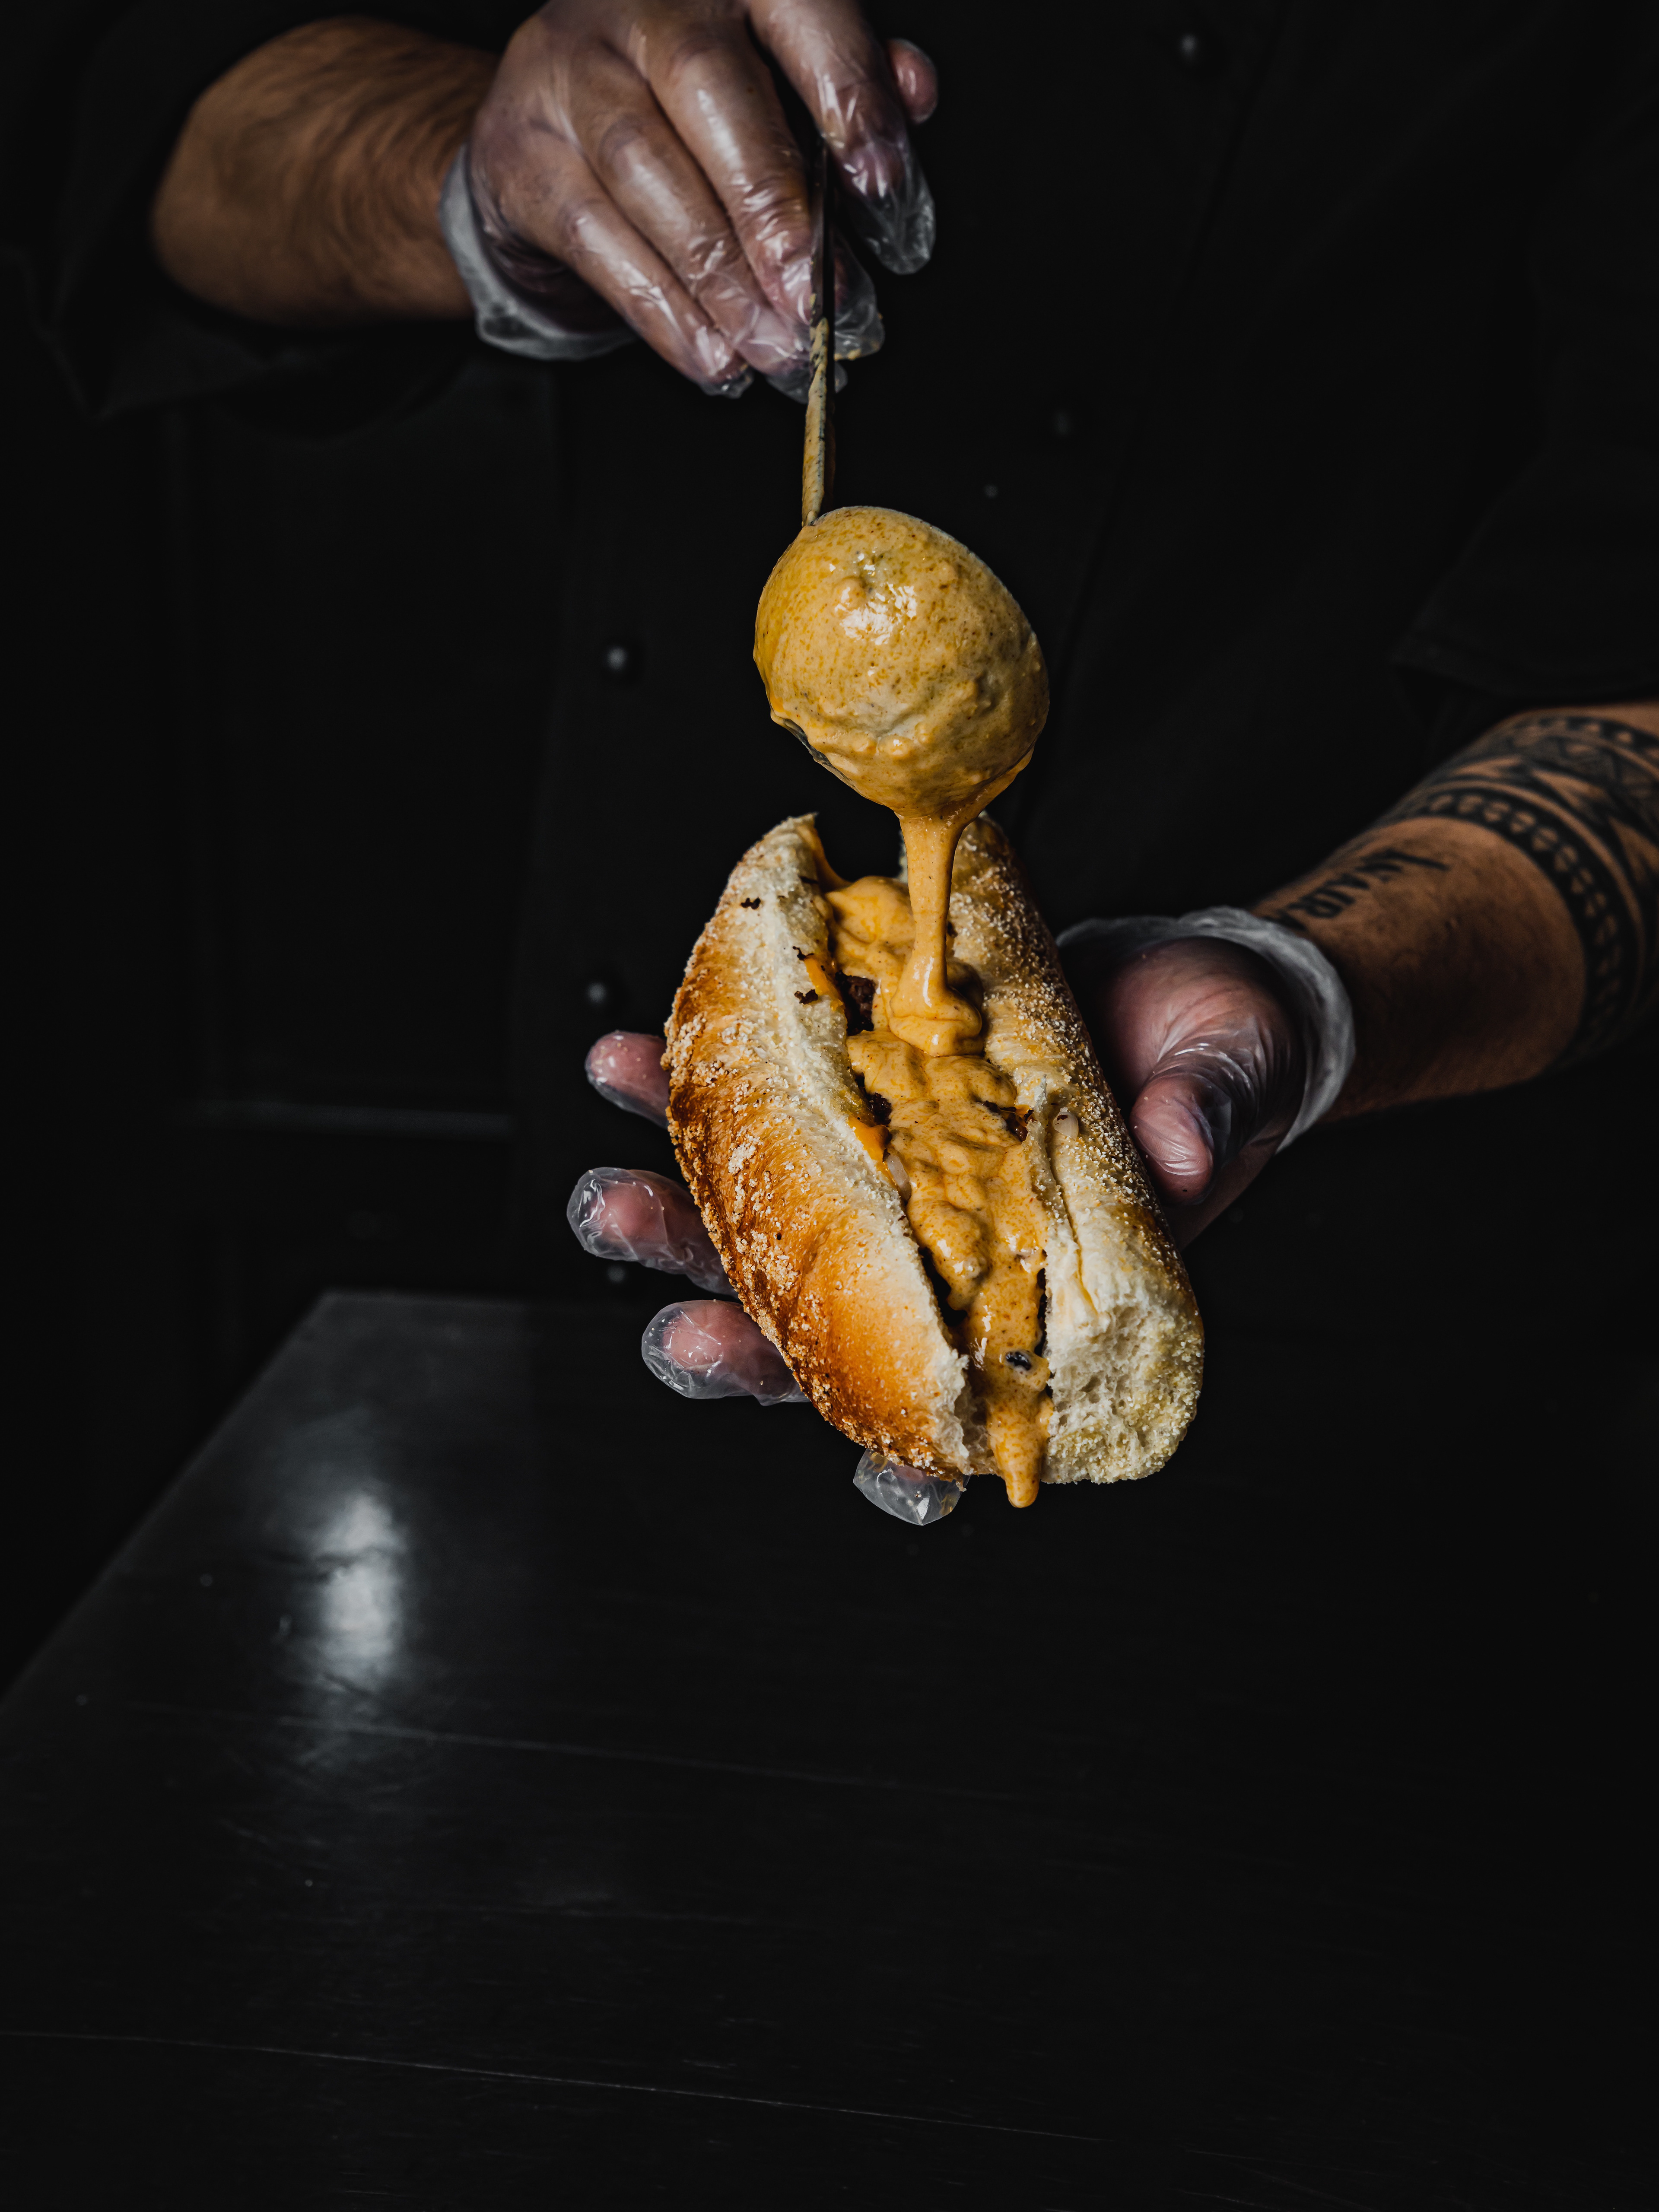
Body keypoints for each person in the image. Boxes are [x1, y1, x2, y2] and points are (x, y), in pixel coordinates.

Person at [7, 0, 1658, 1411]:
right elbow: (132, 101)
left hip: (1394, 1336)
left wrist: (1301, 995)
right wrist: (487, 176)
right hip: (605, 1259)